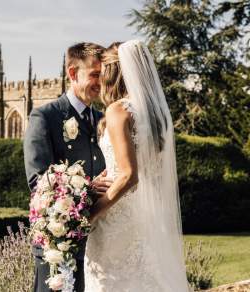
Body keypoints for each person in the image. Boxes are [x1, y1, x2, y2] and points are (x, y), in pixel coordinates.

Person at [83, 40, 192, 292]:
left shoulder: (117, 110)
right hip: (145, 216)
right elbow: (141, 165)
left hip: (116, 218)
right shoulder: (155, 115)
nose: (99, 81)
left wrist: (91, 214)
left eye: (102, 72)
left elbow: (130, 175)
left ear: (113, 73)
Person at [24, 42, 113, 292]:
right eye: (95, 74)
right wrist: (89, 189)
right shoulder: (45, 117)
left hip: (99, 242)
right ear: (73, 73)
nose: (101, 82)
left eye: (103, 75)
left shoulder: (103, 120)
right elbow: (39, 182)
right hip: (58, 242)